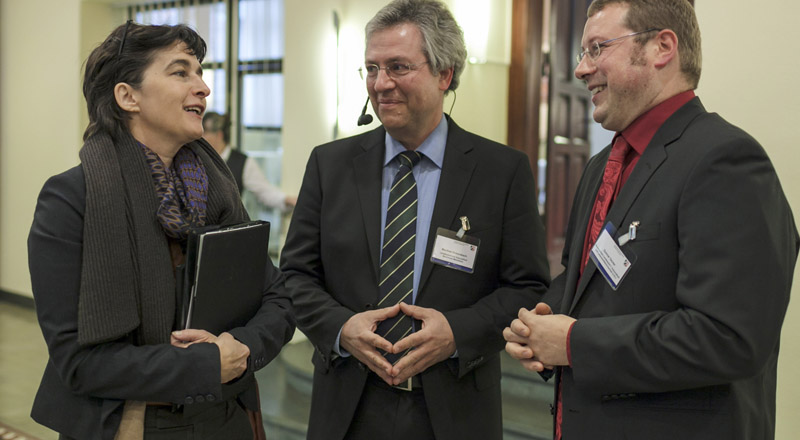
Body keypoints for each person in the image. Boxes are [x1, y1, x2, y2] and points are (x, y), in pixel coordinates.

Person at [503, 1, 799, 439]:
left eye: (597, 48)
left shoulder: (726, 160)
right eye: (583, 53)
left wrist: (572, 343)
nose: (582, 69)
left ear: (662, 47)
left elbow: (729, 338)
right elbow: (587, 279)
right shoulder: (604, 163)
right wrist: (542, 320)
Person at [279, 1, 550, 439]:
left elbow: (529, 287)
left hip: (455, 408)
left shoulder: (501, 172)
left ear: (445, 74)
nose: (380, 84)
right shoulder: (330, 166)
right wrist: (342, 328)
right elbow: (294, 275)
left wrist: (456, 333)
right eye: (371, 68)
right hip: (348, 407)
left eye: (398, 67)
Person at [27, 21, 295, 440]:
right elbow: (78, 363)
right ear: (127, 96)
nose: (203, 87)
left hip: (227, 416)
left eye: (200, 72)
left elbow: (277, 299)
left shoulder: (217, 190)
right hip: (130, 423)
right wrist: (206, 365)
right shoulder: (70, 199)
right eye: (180, 71)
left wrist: (243, 347)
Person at [202, 111, 297, 211]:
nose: (200, 137)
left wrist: (286, 200)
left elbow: (264, 190)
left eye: (205, 132)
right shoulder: (198, 158)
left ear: (219, 135)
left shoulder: (242, 162)